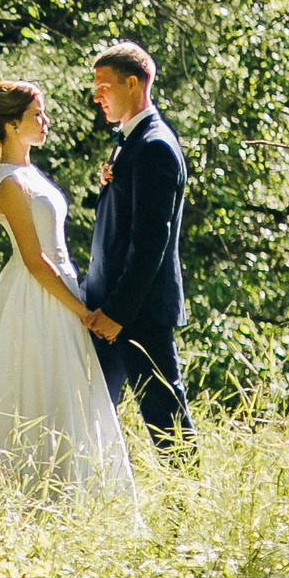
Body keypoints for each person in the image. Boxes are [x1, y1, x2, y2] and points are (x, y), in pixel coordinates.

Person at [0, 80, 140, 523]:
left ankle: (73, 503)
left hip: (60, 290)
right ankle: (21, 500)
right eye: (37, 114)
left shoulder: (31, 174)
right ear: (11, 124)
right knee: (29, 390)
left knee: (67, 394)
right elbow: (35, 260)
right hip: (36, 295)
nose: (45, 120)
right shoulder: (8, 183)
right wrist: (82, 310)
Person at [80, 41, 195, 450]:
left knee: (166, 418)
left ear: (133, 84)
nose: (96, 96)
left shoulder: (155, 146)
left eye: (103, 86)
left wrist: (116, 313)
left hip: (136, 311)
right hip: (109, 307)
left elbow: (150, 242)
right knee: (93, 412)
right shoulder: (131, 141)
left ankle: (188, 503)